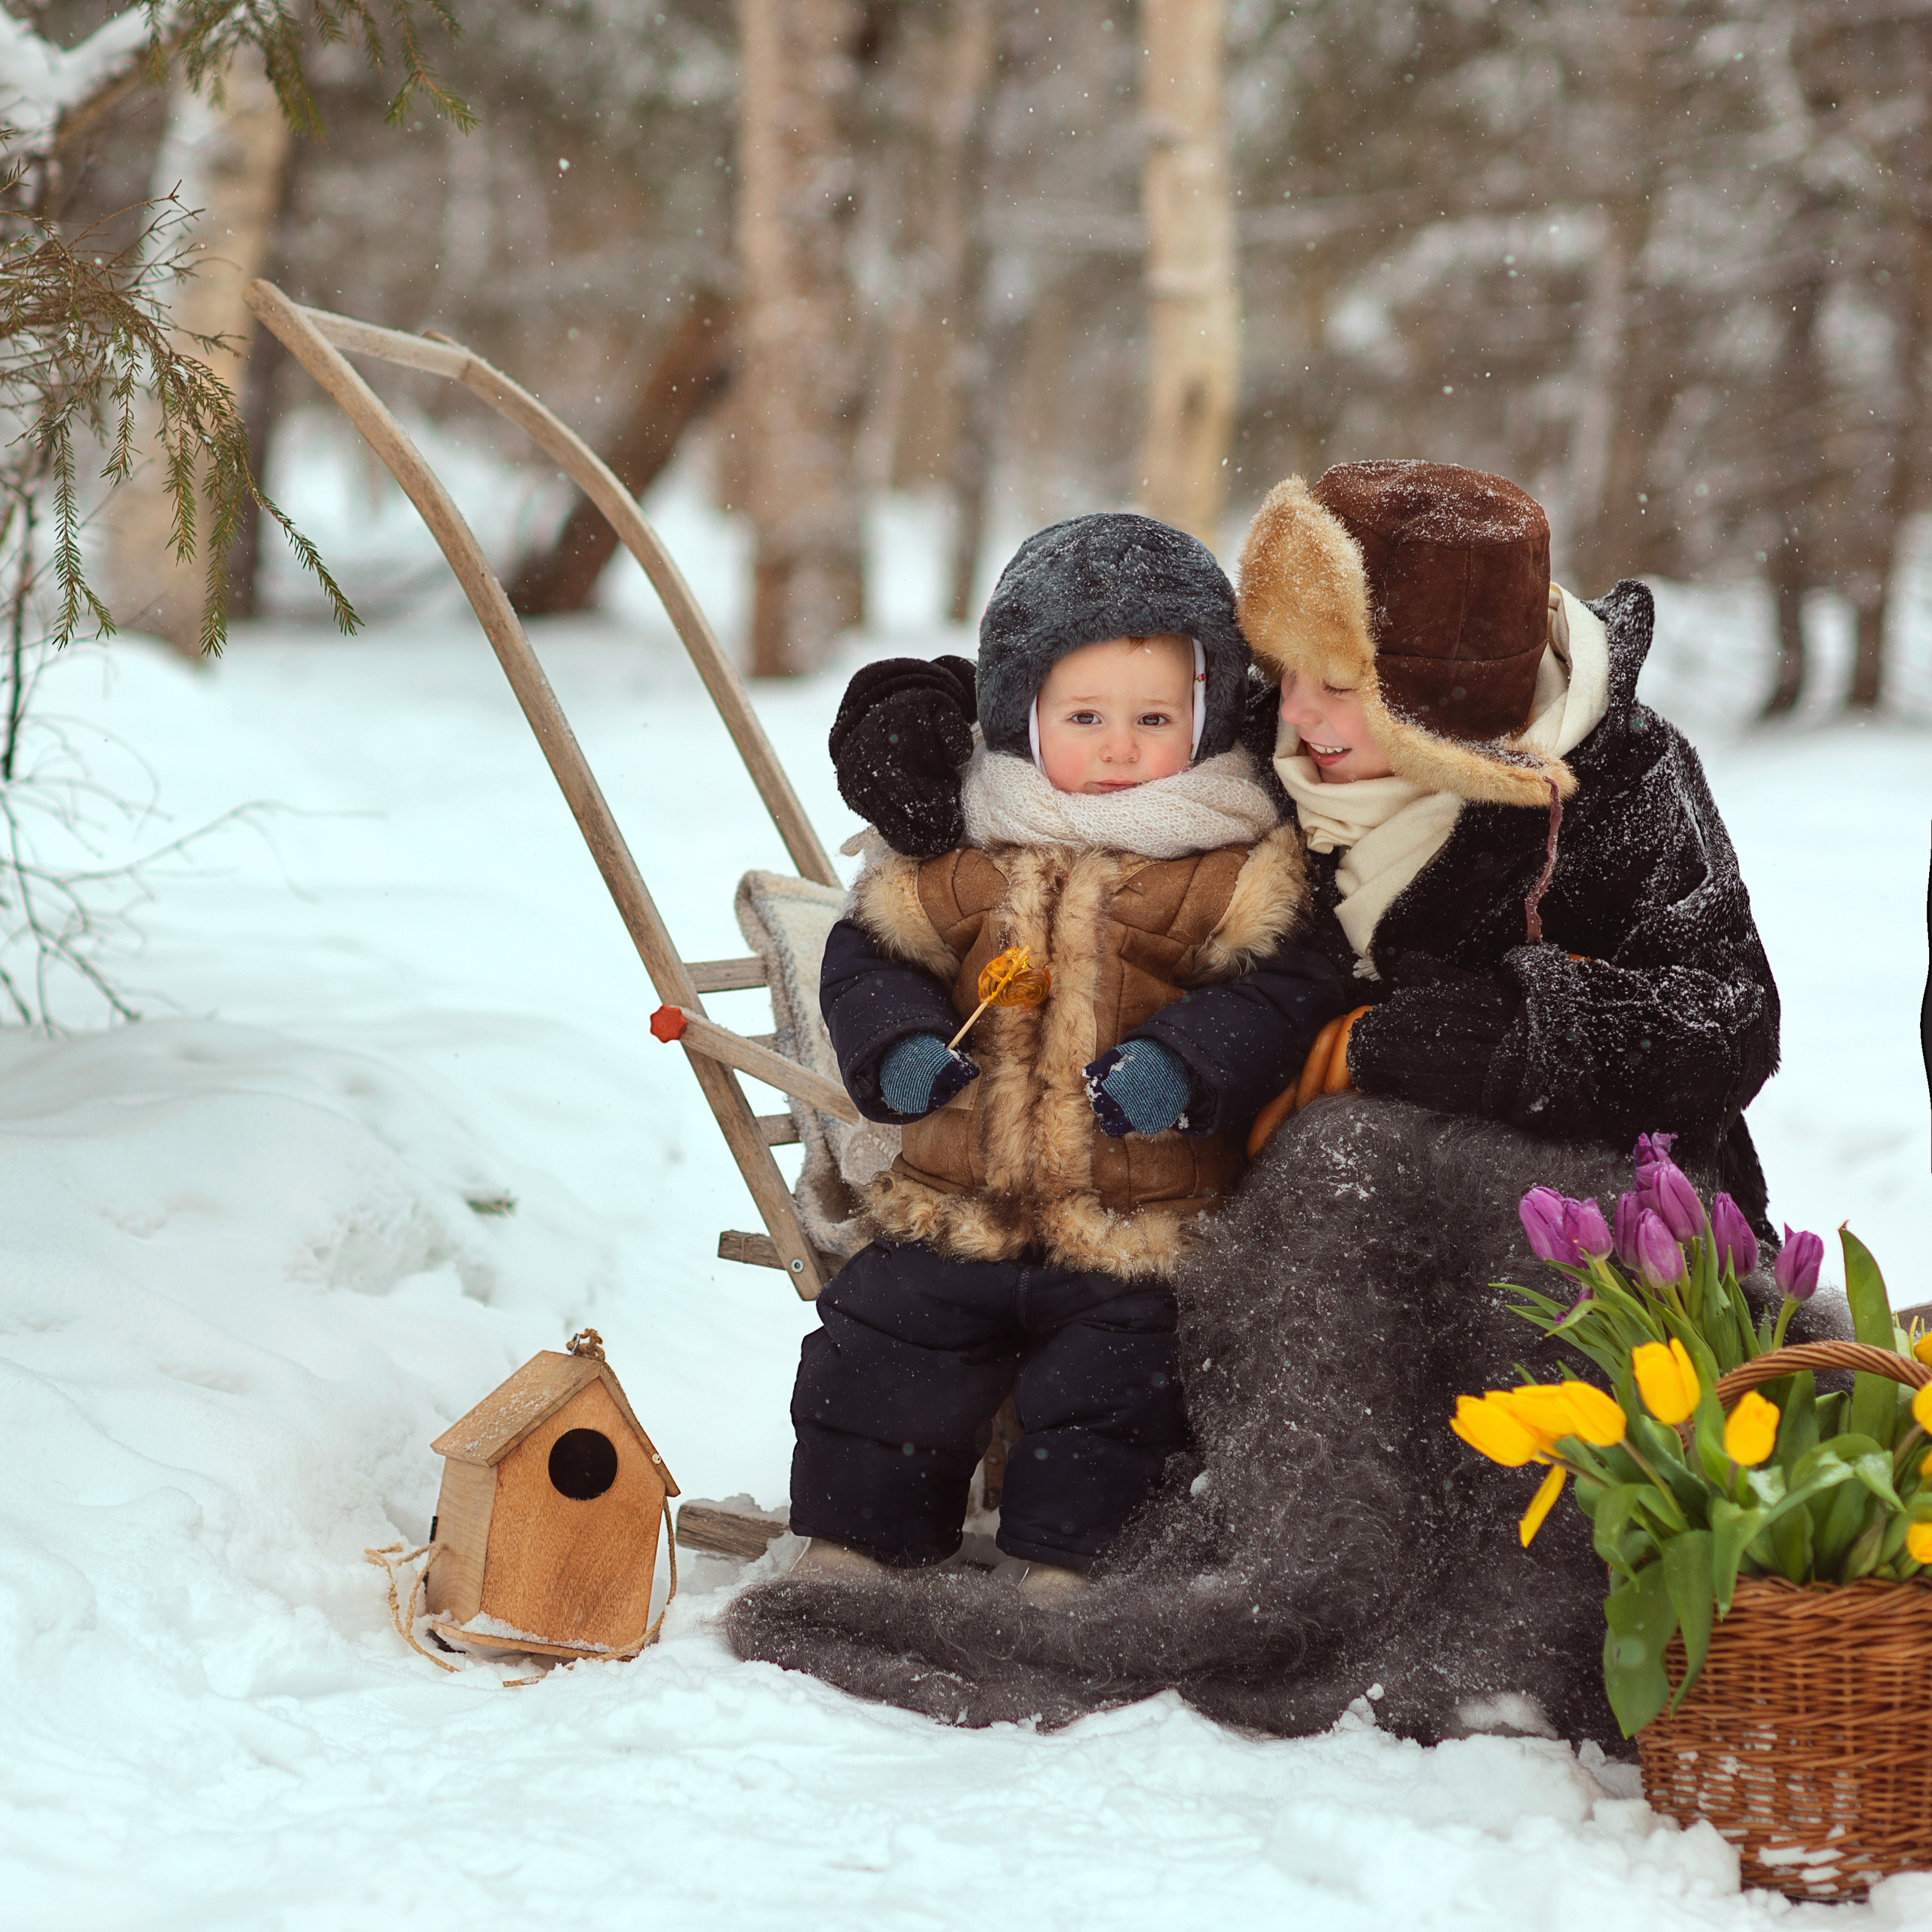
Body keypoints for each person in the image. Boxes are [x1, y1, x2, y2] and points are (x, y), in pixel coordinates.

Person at [731, 462, 1846, 1746]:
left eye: (1340, 684)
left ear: (1446, 689)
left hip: (1558, 1201)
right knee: (1321, 1194)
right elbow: (1080, 667)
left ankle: (1465, 1578)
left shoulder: (1621, 785)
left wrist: (1416, 1041)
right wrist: (914, 724)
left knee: (1361, 1174)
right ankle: (1312, 1536)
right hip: (1258, 1195)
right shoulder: (1275, 730)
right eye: (1281, 671)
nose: (1290, 711)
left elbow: (1723, 1019)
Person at [786, 511, 1346, 1599]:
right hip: (956, 1199)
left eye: (1153, 717)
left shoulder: (1231, 863)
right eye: (1085, 715)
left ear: (1207, 713)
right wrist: (897, 1045)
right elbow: (872, 955)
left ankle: (1071, 1567)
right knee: (883, 1348)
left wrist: (1186, 1064)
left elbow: (1287, 993)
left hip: (1141, 1227)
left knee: (1121, 1387)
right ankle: (861, 1541)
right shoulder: (970, 844)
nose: (1122, 747)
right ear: (1021, 713)